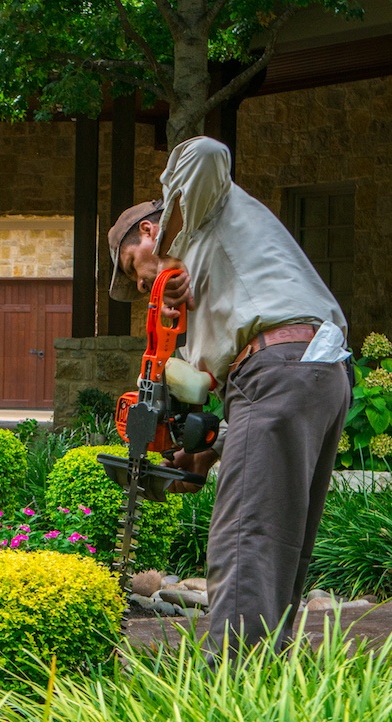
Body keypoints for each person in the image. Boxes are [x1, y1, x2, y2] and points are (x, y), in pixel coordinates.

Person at [107, 136, 352, 662]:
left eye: (135, 264)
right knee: (279, 533)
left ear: (150, 231)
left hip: (281, 368)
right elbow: (213, 383)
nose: (144, 279)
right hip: (309, 373)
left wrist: (172, 237)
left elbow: (207, 152)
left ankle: (231, 677)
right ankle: (269, 668)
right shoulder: (198, 282)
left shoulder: (204, 208)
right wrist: (202, 450)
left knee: (244, 533)